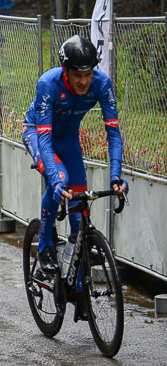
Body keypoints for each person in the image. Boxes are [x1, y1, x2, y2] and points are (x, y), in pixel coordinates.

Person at [22, 36, 126, 304]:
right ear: (65, 70)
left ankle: (77, 286)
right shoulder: (49, 83)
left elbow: (113, 134)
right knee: (62, 181)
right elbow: (44, 140)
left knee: (79, 218)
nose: (83, 81)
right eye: (77, 75)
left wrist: (116, 176)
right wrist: (55, 182)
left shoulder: (102, 84)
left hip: (68, 141)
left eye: (88, 74)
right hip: (38, 134)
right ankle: (44, 247)